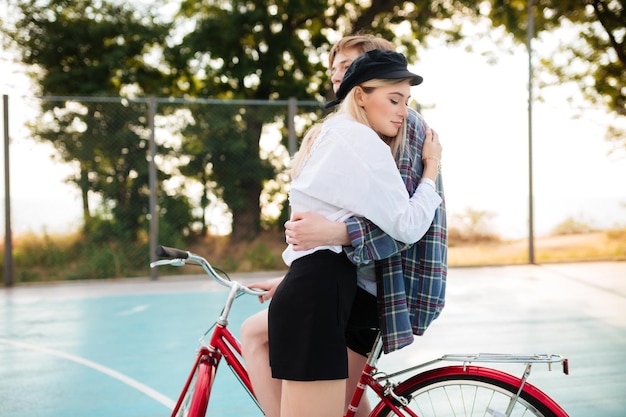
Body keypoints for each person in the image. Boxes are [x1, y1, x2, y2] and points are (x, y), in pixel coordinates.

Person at [241, 36, 447, 417]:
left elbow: (350, 224)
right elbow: (405, 222)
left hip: (340, 287)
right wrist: (430, 171)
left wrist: (336, 236)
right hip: (325, 286)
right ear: (362, 94)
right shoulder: (357, 137)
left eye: (405, 100)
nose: (403, 110)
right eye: (395, 99)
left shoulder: (350, 132)